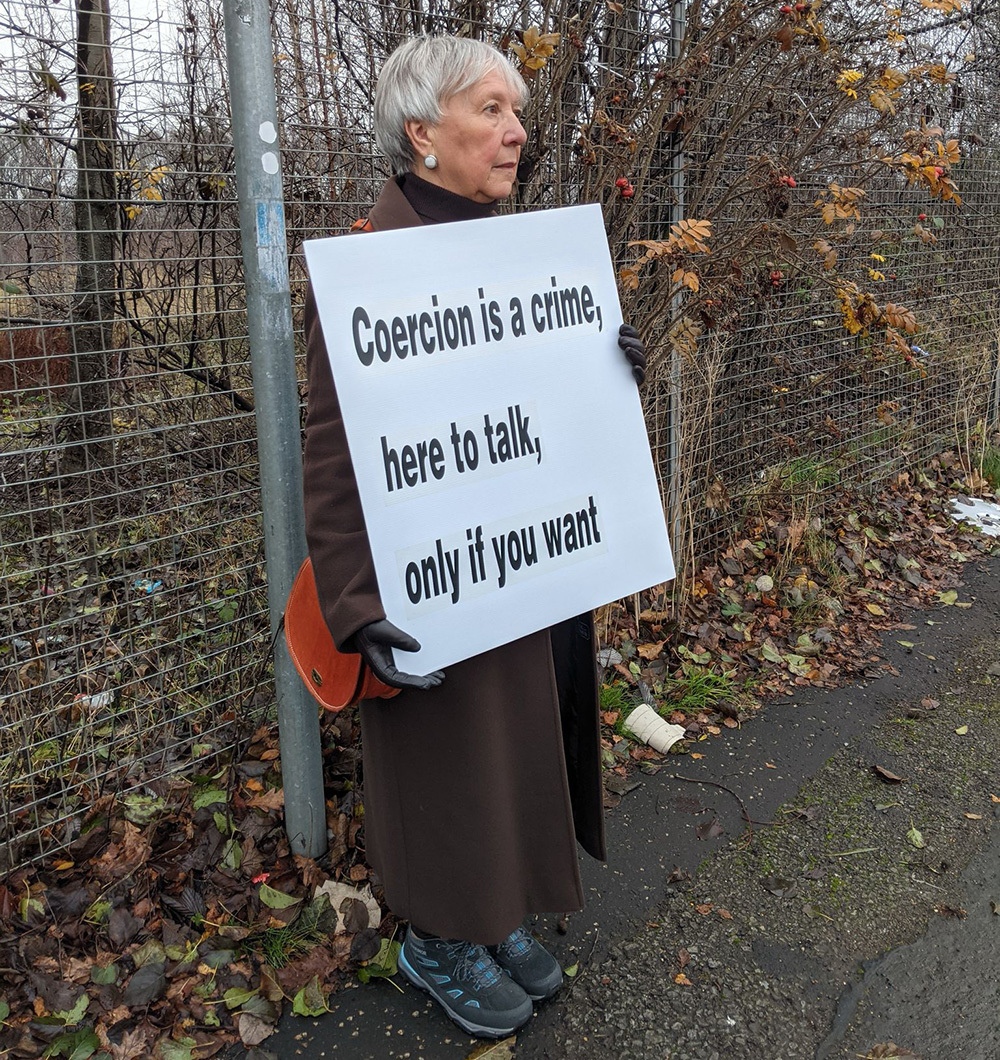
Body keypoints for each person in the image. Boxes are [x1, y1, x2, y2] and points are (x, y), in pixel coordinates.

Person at [301, 35, 646, 1039]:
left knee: (515, 733)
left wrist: (607, 370)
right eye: (490, 110)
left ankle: (498, 914)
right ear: (422, 131)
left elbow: (545, 413)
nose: (516, 131)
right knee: (446, 752)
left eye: (517, 111)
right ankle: (437, 936)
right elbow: (331, 452)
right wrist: (355, 604)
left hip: (517, 560)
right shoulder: (367, 266)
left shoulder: (522, 257)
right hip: (428, 577)